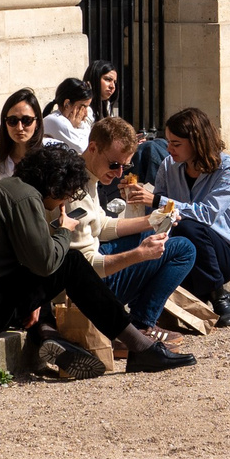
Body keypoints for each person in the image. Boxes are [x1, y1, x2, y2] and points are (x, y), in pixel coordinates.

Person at [0, 142, 196, 378]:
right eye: (67, 193)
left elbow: (29, 259)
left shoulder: (12, 190)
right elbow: (46, 263)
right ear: (55, 187)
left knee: (55, 259)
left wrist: (34, 298)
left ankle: (47, 335)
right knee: (72, 262)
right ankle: (139, 346)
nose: (66, 200)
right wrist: (64, 230)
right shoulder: (25, 198)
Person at [75, 117, 201, 330]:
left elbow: (100, 226)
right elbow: (84, 266)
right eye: (114, 165)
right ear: (93, 148)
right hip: (85, 289)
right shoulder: (75, 189)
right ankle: (141, 324)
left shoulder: (88, 174)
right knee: (184, 249)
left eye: (125, 166)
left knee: (160, 238)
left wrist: (152, 220)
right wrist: (139, 255)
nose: (119, 174)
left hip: (88, 272)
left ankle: (140, 322)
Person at [151, 107, 230, 321]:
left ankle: (217, 295)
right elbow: (157, 215)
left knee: (187, 224)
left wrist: (157, 201)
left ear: (196, 142)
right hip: (184, 251)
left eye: (176, 143)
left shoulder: (226, 168)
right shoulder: (168, 165)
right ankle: (221, 295)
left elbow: (207, 214)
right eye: (168, 142)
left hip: (222, 252)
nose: (169, 149)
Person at [0, 90, 45, 185]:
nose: (19, 128)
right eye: (12, 121)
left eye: (26, 120)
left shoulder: (50, 157)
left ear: (37, 122)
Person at [41, 76, 96, 150]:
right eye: (82, 107)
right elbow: (82, 148)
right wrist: (78, 126)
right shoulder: (56, 120)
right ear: (67, 104)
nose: (85, 113)